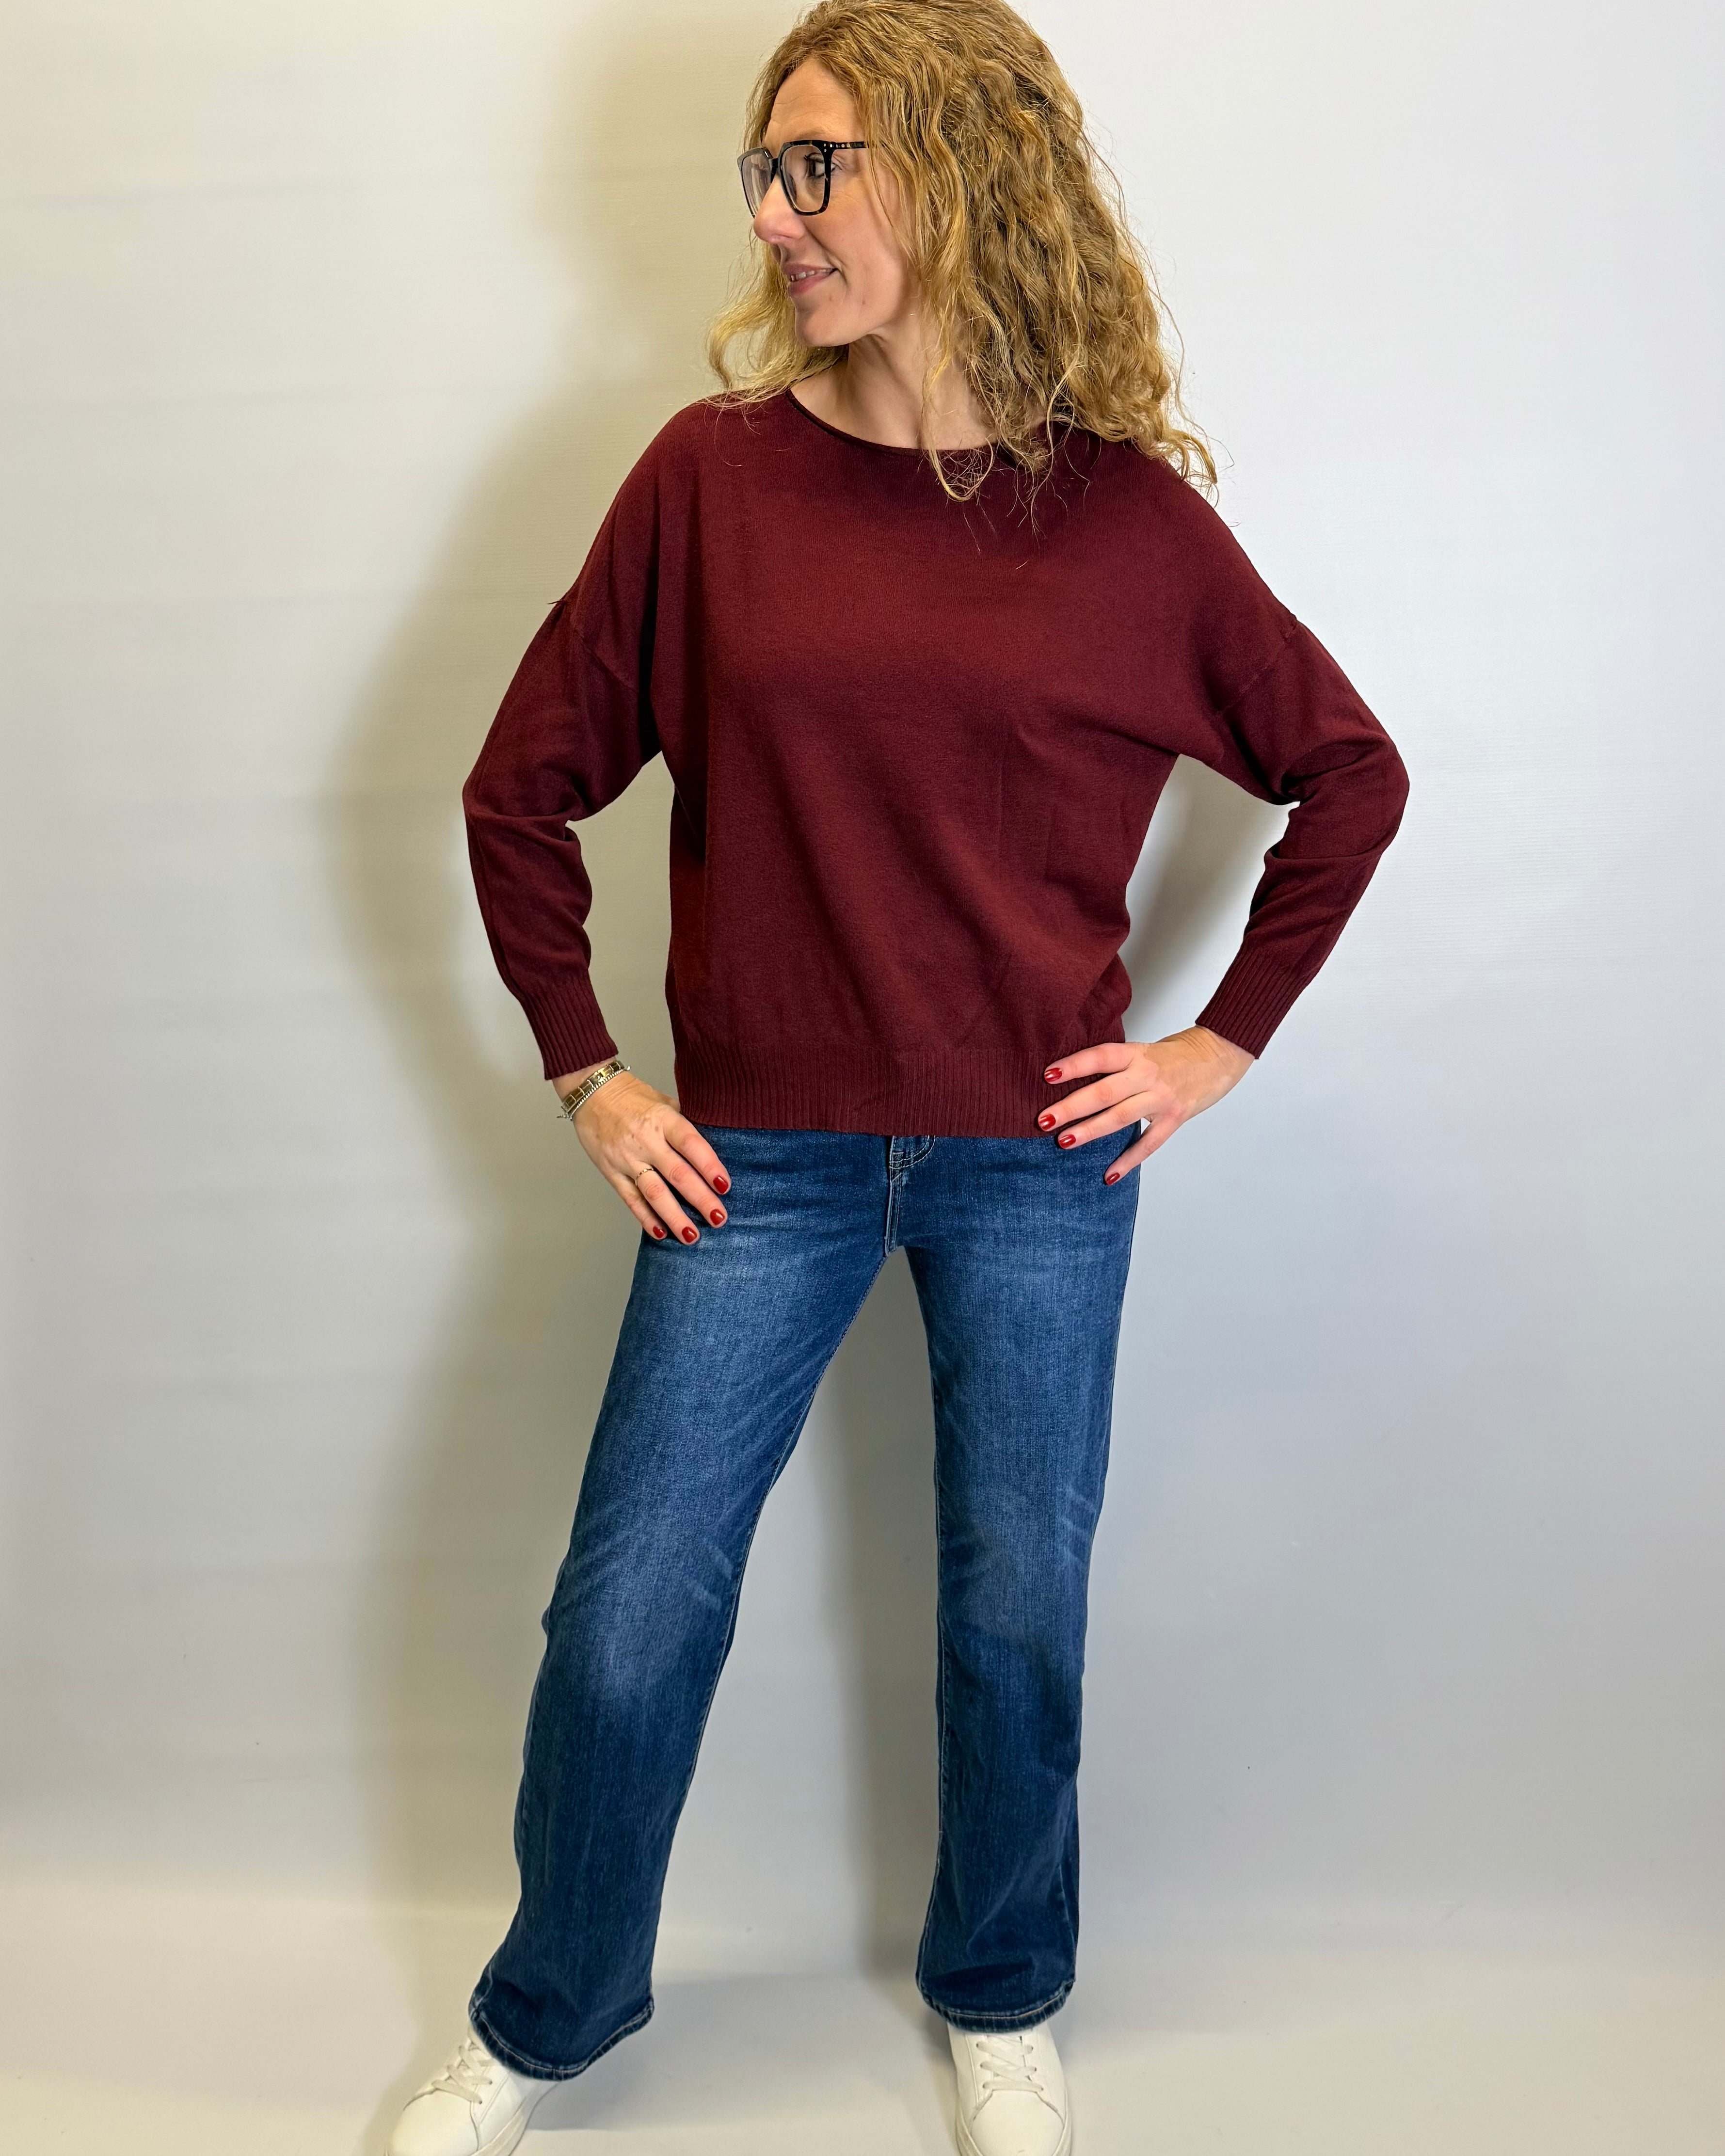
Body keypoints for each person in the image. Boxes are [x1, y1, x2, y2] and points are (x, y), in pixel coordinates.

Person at [390, 2, 1409, 2150]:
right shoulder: (707, 482)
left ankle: (1001, 1986)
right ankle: (545, 2012)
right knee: (626, 1608)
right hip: (747, 1155)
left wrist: (1210, 1047)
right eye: (766, 172)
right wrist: (590, 1073)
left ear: (954, 174)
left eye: (819, 165)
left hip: (1037, 1155)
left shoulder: (1123, 526)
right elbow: (516, 792)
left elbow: (1344, 770)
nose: (779, 215)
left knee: (1015, 1602)